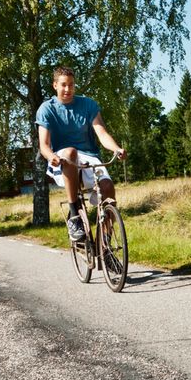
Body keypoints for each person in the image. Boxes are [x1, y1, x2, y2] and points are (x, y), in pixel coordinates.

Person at [36, 66, 126, 246]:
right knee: (70, 152)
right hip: (62, 158)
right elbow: (44, 145)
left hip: (89, 157)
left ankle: (105, 245)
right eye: (63, 85)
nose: (68, 89)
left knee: (108, 187)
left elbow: (102, 133)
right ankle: (74, 215)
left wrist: (116, 149)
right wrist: (51, 156)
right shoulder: (46, 109)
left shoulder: (88, 105)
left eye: (71, 85)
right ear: (55, 85)